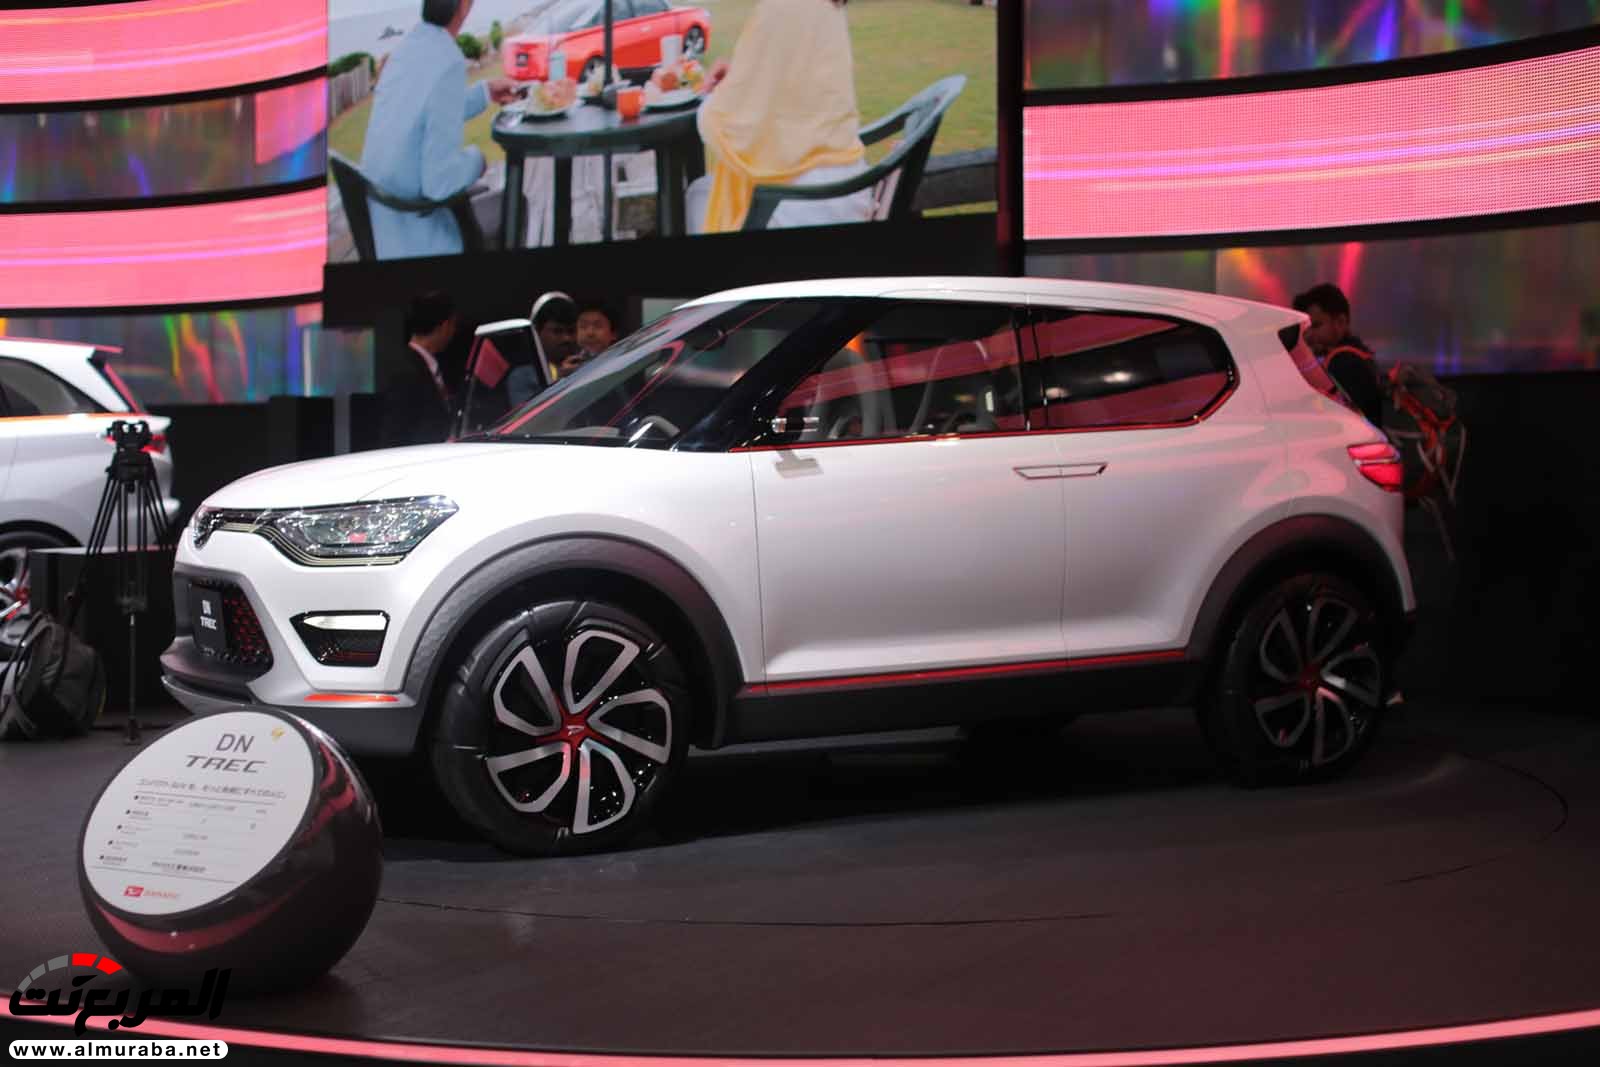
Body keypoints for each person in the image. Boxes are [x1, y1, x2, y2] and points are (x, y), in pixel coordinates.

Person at [687, 0, 875, 234]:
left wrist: (710, 97)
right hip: (848, 189)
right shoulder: (827, 6)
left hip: (797, 204)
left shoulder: (778, 8)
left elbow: (729, 126)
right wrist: (741, 76)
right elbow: (796, 86)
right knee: (701, 191)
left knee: (696, 196)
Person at [360, 0, 521, 259]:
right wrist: (477, 159)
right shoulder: (448, 60)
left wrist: (485, 92)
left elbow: (423, 110)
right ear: (464, 5)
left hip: (386, 233)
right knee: (515, 203)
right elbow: (440, 183)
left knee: (479, 193)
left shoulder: (407, 48)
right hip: (421, 241)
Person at [1293, 283, 1385, 427]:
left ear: (1341, 322)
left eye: (1316, 326)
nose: (1308, 335)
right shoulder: (1358, 355)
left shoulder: (1343, 363)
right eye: (1306, 328)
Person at [381, 291, 459, 448]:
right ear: (445, 326)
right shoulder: (406, 371)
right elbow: (395, 433)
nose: (454, 331)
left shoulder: (417, 364)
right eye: (454, 325)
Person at [506, 292, 581, 407]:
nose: (566, 338)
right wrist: (561, 381)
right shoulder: (522, 377)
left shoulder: (589, 366)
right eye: (557, 331)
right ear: (537, 333)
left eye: (571, 331)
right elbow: (532, 415)